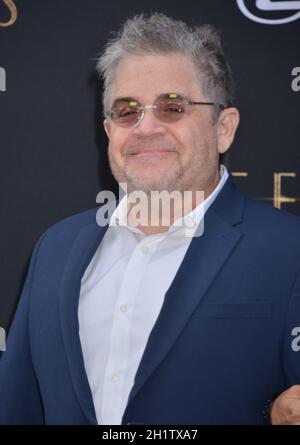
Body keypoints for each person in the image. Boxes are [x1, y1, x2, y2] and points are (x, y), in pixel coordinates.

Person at [0, 12, 300, 425]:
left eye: (172, 107)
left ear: (224, 129)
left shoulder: (290, 250)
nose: (145, 127)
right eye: (127, 111)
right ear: (108, 131)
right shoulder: (56, 247)